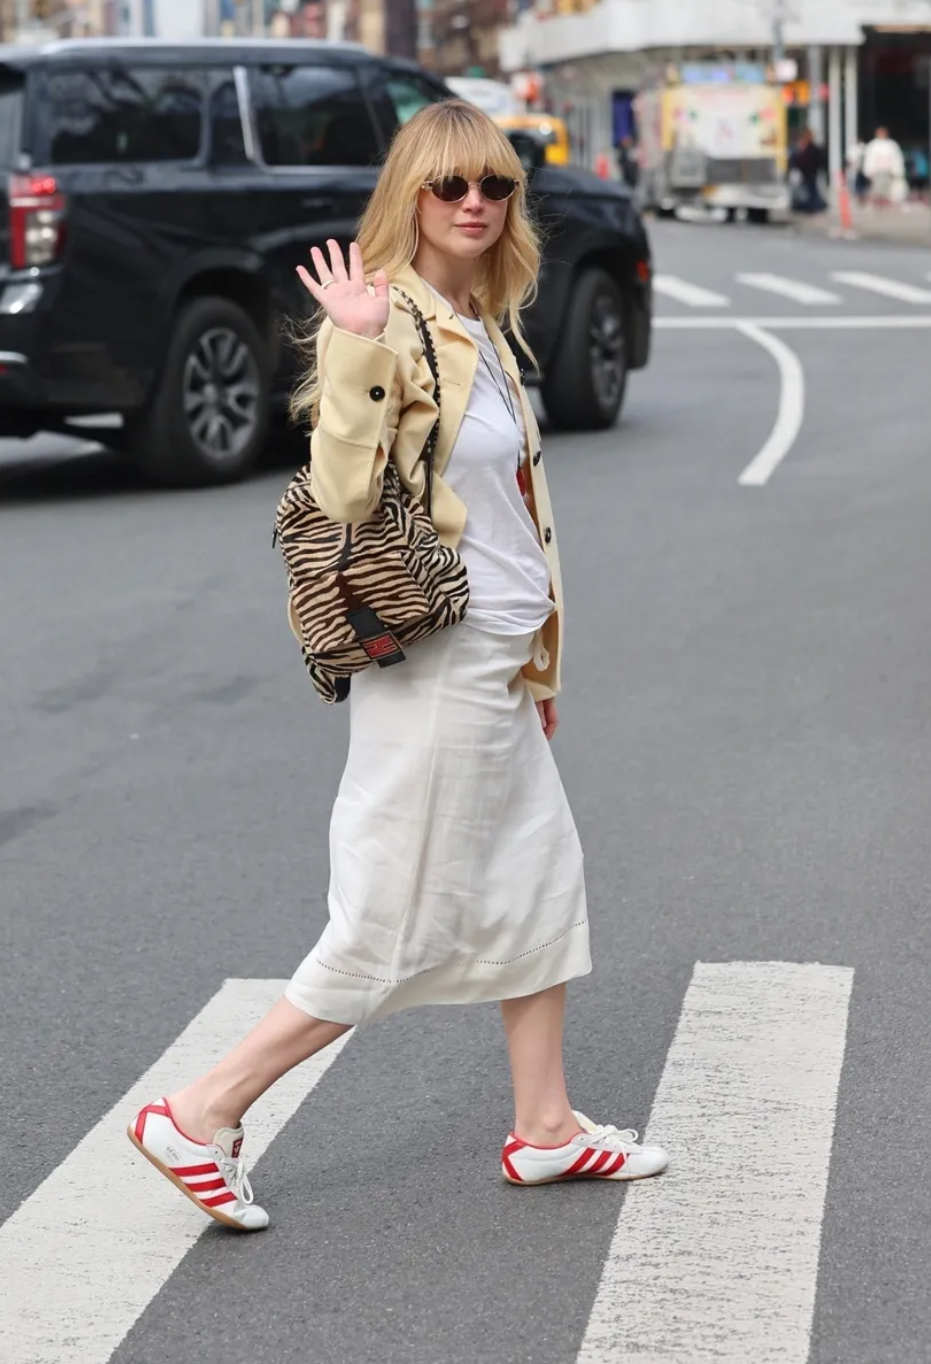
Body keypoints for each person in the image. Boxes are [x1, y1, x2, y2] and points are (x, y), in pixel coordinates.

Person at [127, 99, 669, 1231]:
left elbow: (517, 517)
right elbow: (343, 496)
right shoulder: (384, 324)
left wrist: (540, 668)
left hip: (497, 662)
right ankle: (201, 1108)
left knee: (535, 882)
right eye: (449, 186)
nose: (474, 203)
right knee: (392, 919)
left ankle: (546, 1127)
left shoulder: (483, 321)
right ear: (410, 196)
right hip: (437, 665)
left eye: (495, 187)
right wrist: (361, 348)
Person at [862, 126, 907, 207]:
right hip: (877, 172)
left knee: (891, 189)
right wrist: (869, 171)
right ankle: (878, 204)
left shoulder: (892, 145)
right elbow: (869, 159)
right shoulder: (873, 145)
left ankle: (888, 204)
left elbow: (897, 158)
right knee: (877, 189)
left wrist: (898, 170)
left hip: (889, 171)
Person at [790, 129, 826, 213]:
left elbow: (813, 160)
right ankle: (809, 205)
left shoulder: (811, 149)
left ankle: (812, 206)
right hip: (807, 173)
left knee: (811, 190)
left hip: (810, 173)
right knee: (808, 190)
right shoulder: (805, 149)